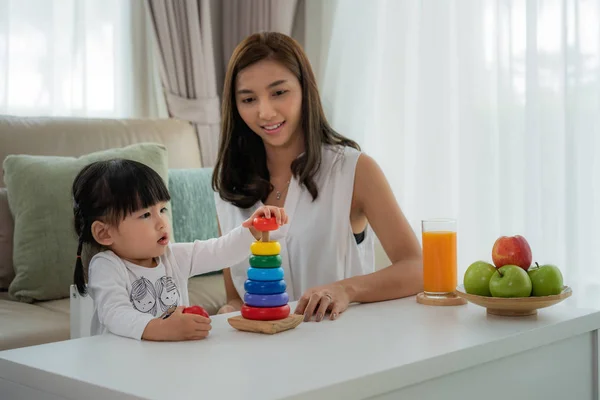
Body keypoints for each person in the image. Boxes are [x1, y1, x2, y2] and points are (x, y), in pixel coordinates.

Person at [212, 32, 423, 322]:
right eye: (249, 99)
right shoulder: (228, 187)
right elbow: (235, 297)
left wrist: (346, 290)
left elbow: (418, 267)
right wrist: (227, 312)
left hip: (340, 351)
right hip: (258, 357)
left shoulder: (354, 169)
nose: (265, 112)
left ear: (304, 89)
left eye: (279, 92)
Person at [72, 159, 287, 341]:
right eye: (145, 215)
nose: (162, 223)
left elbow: (220, 252)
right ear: (104, 233)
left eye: (162, 209)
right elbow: (115, 314)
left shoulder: (173, 256)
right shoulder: (106, 266)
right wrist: (162, 328)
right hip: (122, 366)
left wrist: (253, 229)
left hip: (171, 363)